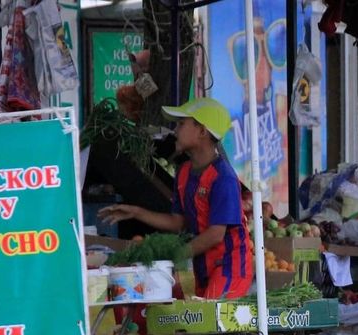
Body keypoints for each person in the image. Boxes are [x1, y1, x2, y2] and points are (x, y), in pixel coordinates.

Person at [98, 97, 253, 300]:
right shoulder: (184, 172)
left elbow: (216, 233)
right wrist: (135, 212)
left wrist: (177, 255)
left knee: (211, 323)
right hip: (202, 267)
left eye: (181, 124)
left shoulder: (223, 177)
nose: (176, 130)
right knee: (200, 325)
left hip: (229, 268)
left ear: (202, 132)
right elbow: (178, 222)